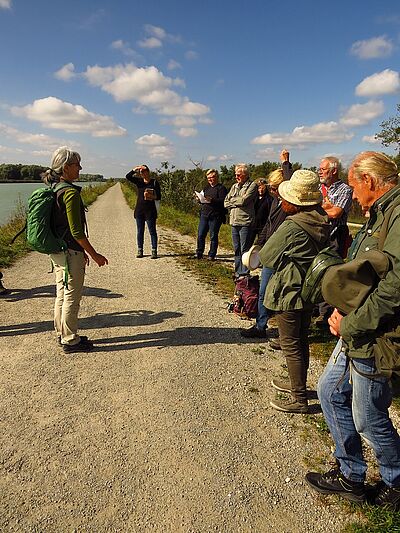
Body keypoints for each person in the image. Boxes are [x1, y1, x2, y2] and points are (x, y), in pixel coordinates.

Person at [306, 152, 400, 509]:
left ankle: (396, 480)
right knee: (329, 391)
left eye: (354, 184)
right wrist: (340, 309)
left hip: (377, 337)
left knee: (369, 417)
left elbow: (394, 289)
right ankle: (350, 474)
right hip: (357, 330)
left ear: (371, 182)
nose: (351, 192)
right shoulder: (380, 212)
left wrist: (352, 322)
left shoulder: (397, 215)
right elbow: (362, 275)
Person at [259, 170, 330, 413]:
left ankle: (299, 399)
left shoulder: (292, 226)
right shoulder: (320, 220)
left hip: (289, 291)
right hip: (308, 290)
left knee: (290, 344)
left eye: (285, 198)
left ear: (297, 202)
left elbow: (266, 256)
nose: (281, 202)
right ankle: (296, 383)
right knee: (301, 341)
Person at [42, 147, 108, 354]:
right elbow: (77, 231)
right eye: (77, 164)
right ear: (66, 167)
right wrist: (94, 254)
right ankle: (71, 340)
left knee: (61, 293)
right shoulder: (69, 192)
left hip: (58, 251)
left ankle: (62, 333)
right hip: (71, 251)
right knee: (71, 296)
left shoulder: (56, 188)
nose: (80, 168)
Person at [240, 168, 287, 338]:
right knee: (263, 291)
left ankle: (285, 333)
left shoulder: (290, 204)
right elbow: (268, 225)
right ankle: (261, 326)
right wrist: (258, 246)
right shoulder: (276, 201)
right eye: (271, 188)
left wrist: (286, 162)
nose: (272, 191)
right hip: (269, 252)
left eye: (275, 188)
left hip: (283, 254)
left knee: (281, 294)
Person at [316, 156, 353, 326]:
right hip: (318, 235)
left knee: (329, 273)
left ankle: (326, 315)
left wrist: (322, 207)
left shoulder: (345, 189)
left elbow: (336, 213)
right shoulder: (318, 187)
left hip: (335, 237)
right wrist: (327, 206)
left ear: (334, 170)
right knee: (314, 271)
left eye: (323, 169)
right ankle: (315, 308)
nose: (319, 172)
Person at [224, 164, 258, 278]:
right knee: (236, 248)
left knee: (245, 249)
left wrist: (233, 201)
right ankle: (238, 271)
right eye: (235, 175)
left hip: (245, 222)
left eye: (238, 175)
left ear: (245, 175)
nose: (236, 177)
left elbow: (244, 201)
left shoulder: (252, 186)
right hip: (234, 221)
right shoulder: (234, 186)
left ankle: (244, 273)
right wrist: (237, 201)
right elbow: (225, 202)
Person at [126, 165, 161, 259]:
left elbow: (159, 197)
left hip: (150, 211)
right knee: (140, 231)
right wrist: (135, 169)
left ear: (148, 171)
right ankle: (140, 250)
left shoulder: (154, 182)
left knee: (152, 232)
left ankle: (154, 251)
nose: (142, 173)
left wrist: (151, 196)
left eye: (144, 171)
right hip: (140, 211)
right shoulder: (139, 182)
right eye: (140, 172)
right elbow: (128, 177)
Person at [191, 169, 227, 260]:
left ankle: (211, 255)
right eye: (209, 178)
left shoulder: (221, 188)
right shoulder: (206, 188)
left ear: (217, 177)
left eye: (212, 177)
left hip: (215, 215)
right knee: (200, 234)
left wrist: (212, 200)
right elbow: (203, 199)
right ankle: (199, 253)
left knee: (213, 235)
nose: (211, 179)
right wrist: (199, 199)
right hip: (204, 214)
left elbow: (224, 201)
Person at [250, 178, 272, 243]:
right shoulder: (253, 198)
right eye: (259, 188)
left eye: (263, 188)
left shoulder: (269, 199)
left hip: (263, 225)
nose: (261, 190)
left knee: (261, 243)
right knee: (249, 242)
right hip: (253, 224)